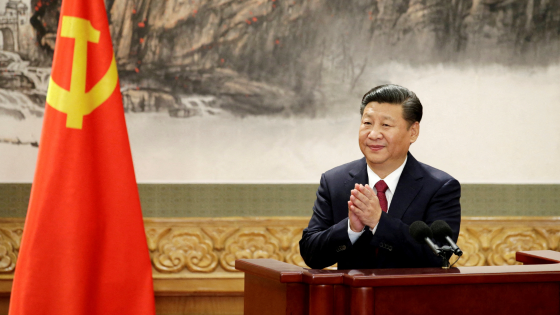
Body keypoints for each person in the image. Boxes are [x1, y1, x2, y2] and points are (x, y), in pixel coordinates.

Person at [299, 84, 461, 270]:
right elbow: (311, 255)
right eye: (367, 123)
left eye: (386, 125)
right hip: (352, 298)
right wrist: (351, 229)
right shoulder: (335, 181)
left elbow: (438, 257)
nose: (373, 134)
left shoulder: (439, 187)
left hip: (412, 298)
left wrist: (379, 222)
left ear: (413, 132)